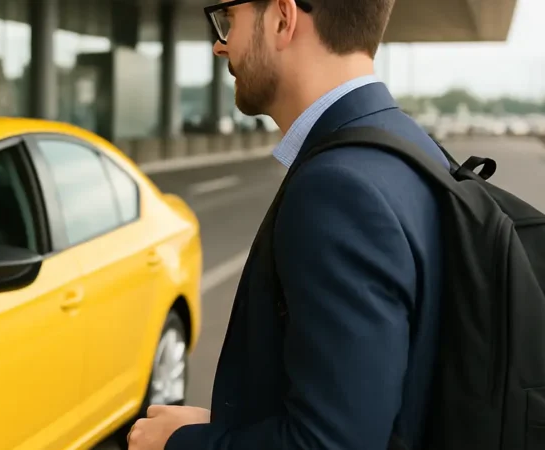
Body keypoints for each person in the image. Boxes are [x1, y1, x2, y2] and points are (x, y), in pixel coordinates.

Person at [127, 0, 450, 449]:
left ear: (282, 17)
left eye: (229, 19)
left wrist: (180, 445)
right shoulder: (411, 148)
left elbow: (331, 444)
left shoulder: (338, 189)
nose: (221, 47)